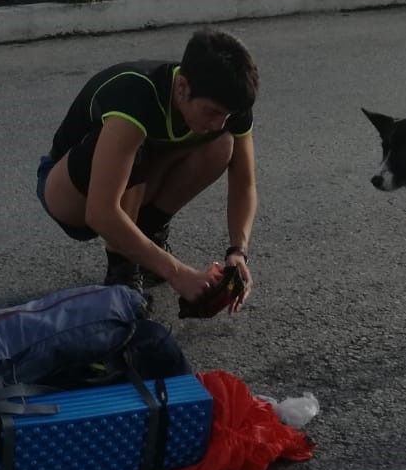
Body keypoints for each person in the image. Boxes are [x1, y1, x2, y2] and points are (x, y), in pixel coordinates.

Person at [36, 28, 258, 311]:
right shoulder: (137, 93)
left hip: (135, 181)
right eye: (212, 112)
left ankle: (148, 237)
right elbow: (100, 213)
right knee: (136, 146)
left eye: (226, 115)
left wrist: (238, 252)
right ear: (182, 87)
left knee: (222, 145)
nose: (218, 122)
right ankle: (122, 270)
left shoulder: (225, 107)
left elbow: (244, 183)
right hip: (67, 191)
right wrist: (176, 272)